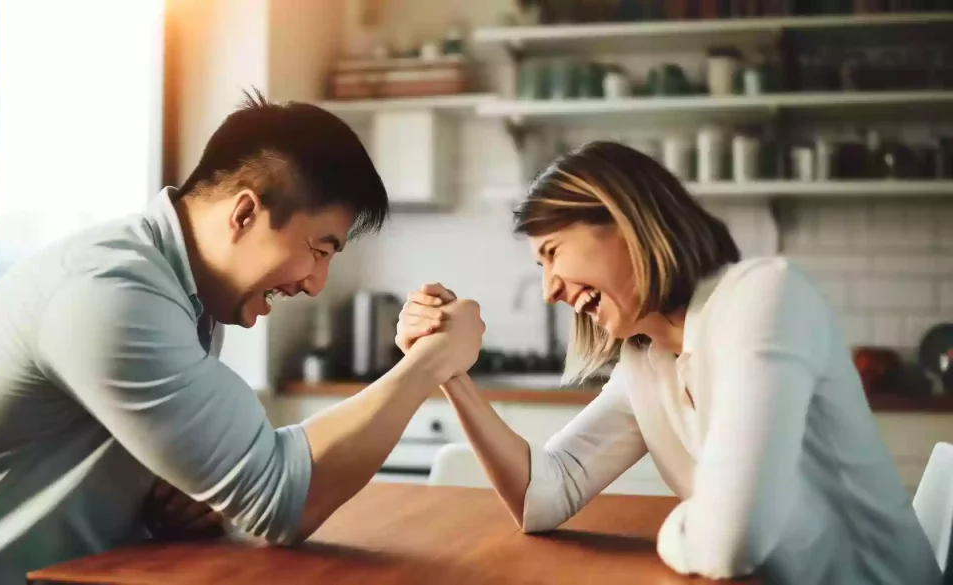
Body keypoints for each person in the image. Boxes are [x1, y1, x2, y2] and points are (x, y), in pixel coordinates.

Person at [0, 91, 485, 585]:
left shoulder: (185, 296)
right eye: (319, 249)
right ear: (245, 213)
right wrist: (428, 365)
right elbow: (280, 498)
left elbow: (229, 482)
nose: (316, 285)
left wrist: (194, 496)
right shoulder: (113, 293)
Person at [395, 141, 941, 584]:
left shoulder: (762, 297)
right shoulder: (646, 361)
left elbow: (730, 544)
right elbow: (544, 496)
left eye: (553, 253)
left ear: (623, 219)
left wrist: (681, 526)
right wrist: (448, 371)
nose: (548, 290)